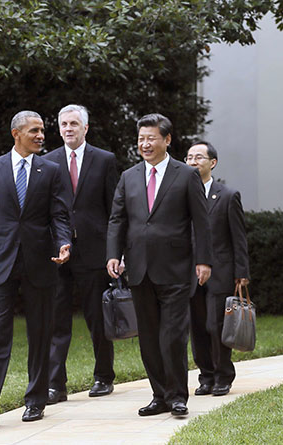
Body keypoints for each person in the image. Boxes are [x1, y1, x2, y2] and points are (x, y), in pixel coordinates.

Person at [0, 110, 72, 425]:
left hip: (41, 262)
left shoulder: (52, 170)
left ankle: (35, 400)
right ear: (16, 133)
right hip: (0, 262)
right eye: (34, 131)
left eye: (42, 131)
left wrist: (65, 243)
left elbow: (59, 215)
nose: (41, 136)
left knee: (40, 332)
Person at [106, 113, 212, 417]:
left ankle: (178, 396)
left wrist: (203, 260)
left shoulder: (186, 174)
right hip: (139, 269)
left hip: (176, 269)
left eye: (151, 138)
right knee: (150, 337)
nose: (145, 144)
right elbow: (118, 219)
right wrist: (113, 254)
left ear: (167, 140)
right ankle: (160, 395)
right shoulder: (128, 177)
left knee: (173, 335)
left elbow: (201, 223)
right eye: (141, 139)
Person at [44, 104, 119, 403]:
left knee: (97, 320)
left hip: (94, 252)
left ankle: (103, 376)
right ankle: (55, 385)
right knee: (56, 322)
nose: (68, 128)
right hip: (57, 255)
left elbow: (114, 210)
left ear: (85, 128)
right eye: (63, 124)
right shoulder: (47, 162)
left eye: (74, 123)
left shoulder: (104, 160)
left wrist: (117, 252)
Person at [185, 141, 250, 397]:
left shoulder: (227, 196)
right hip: (188, 273)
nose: (192, 161)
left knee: (217, 325)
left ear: (212, 163)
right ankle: (206, 377)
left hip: (221, 272)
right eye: (189, 157)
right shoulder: (179, 194)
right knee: (197, 327)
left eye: (199, 157)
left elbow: (239, 237)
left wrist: (241, 273)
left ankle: (224, 375)